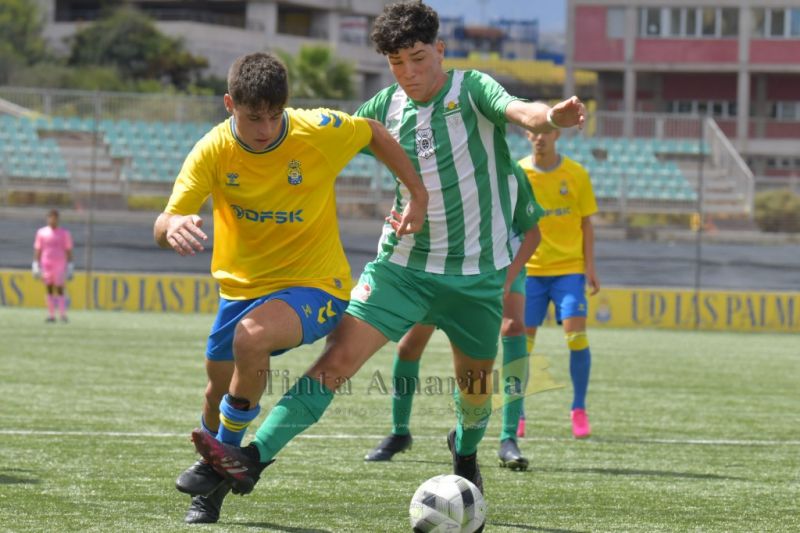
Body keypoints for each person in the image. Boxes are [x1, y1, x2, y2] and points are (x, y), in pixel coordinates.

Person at [188, 0, 585, 503]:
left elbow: (520, 110)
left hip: (475, 277)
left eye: (418, 59)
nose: (409, 73)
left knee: (475, 392)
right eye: (397, 63)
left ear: (439, 49)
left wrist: (551, 115)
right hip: (401, 269)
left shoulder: (472, 89)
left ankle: (464, 452)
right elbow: (318, 144)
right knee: (336, 361)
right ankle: (252, 459)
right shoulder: (381, 108)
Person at [155, 51, 426, 524]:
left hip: (316, 286)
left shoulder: (317, 130)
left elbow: (374, 134)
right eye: (252, 117)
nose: (264, 128)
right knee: (216, 391)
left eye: (273, 115)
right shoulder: (213, 150)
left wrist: (416, 193)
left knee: (251, 338)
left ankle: (211, 464)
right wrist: (172, 224)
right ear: (228, 104)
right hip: (239, 292)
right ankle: (214, 482)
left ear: (287, 106)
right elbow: (165, 219)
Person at [364, 162, 544, 472]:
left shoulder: (511, 172)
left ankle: (508, 438)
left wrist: (506, 278)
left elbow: (532, 234)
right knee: (408, 346)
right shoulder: (451, 164)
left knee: (514, 327)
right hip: (449, 268)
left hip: (502, 267)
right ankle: (399, 432)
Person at [518, 127, 600, 439]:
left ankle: (578, 409)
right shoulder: (520, 173)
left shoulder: (576, 174)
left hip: (569, 270)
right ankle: (518, 413)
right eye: (534, 132)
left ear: (557, 136)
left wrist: (589, 266)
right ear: (527, 136)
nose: (540, 137)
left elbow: (586, 222)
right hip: (531, 270)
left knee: (576, 337)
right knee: (520, 343)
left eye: (546, 132)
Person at [32, 209, 73, 323]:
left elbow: (68, 250)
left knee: (60, 289)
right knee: (49, 288)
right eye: (50, 217)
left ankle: (63, 315)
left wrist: (70, 265)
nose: (52, 220)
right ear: (47, 218)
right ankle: (51, 315)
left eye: (54, 217)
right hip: (46, 264)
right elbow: (38, 249)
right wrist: (35, 264)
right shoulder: (41, 232)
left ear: (58, 219)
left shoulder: (64, 233)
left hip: (60, 264)